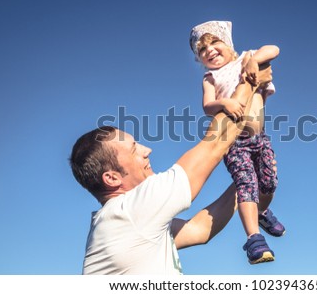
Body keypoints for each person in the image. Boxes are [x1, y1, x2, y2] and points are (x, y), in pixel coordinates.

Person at [69, 63, 274, 274]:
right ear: (111, 179)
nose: (147, 150)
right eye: (133, 149)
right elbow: (216, 143)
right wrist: (251, 81)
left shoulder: (126, 221)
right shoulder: (131, 211)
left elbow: (199, 230)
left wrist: (246, 179)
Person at [189, 20, 285, 265]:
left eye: (214, 43)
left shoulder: (246, 59)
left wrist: (253, 61)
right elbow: (207, 106)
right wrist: (225, 103)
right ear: (200, 59)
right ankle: (254, 238)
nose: (209, 51)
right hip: (234, 144)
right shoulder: (210, 78)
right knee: (246, 184)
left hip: (259, 138)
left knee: (269, 183)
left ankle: (262, 212)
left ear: (227, 43)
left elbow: (273, 49)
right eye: (202, 50)